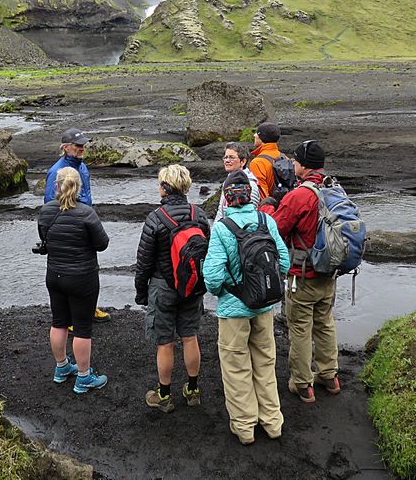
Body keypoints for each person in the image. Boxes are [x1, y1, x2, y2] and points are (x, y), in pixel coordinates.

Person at [203, 170, 290, 445]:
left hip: (233, 312)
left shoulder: (221, 229)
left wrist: (226, 292)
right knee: (265, 363)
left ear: (227, 199)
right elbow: (284, 264)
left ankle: (245, 428)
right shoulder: (267, 221)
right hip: (264, 308)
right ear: (251, 196)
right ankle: (273, 422)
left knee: (236, 368)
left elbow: (213, 277)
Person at [260, 140, 340, 403]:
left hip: (302, 274)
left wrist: (269, 205)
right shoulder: (334, 188)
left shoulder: (299, 195)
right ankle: (330, 376)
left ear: (303, 165)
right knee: (325, 324)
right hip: (330, 271)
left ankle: (303, 384)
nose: (292, 165)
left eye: (295, 161)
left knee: (300, 329)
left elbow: (276, 228)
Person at [134, 164, 211, 413]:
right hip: (191, 286)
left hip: (162, 287)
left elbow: (144, 261)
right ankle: (192, 390)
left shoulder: (155, 218)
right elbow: (205, 251)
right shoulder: (198, 214)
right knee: (190, 337)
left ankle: (163, 395)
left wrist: (141, 292)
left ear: (164, 187)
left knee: (164, 343)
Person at [38, 166, 110, 394]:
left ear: (56, 186)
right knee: (82, 328)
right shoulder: (86, 212)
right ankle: (83, 377)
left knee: (58, 322)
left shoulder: (46, 211)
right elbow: (102, 243)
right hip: (82, 277)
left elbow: (44, 238)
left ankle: (61, 368)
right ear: (78, 187)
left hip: (55, 275)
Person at [44, 127, 110, 323]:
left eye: (83, 145)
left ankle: (89, 308)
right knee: (71, 272)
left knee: (91, 269)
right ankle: (72, 318)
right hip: (68, 227)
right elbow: (50, 204)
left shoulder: (81, 166)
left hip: (84, 222)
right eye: (77, 145)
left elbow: (87, 195)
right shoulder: (57, 171)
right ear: (65, 147)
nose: (82, 148)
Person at [215, 142, 260, 221]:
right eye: (225, 157)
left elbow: (250, 214)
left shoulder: (250, 185)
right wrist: (215, 229)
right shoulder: (227, 181)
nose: (227, 161)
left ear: (243, 162)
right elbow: (221, 210)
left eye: (232, 157)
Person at [248, 122, 282, 201]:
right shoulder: (285, 158)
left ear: (261, 138)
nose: (254, 135)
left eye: (257, 133)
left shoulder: (257, 163)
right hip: (284, 208)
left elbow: (262, 195)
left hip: (269, 210)